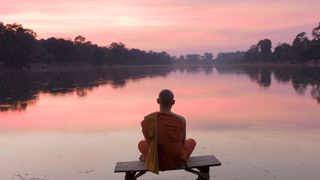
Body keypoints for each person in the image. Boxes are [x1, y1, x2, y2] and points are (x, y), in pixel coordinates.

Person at [138, 89, 196, 174]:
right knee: (191, 141)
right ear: (173, 102)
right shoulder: (181, 120)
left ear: (158, 101)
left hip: (157, 162)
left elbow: (150, 143)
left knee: (141, 143)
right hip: (178, 161)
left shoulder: (148, 121)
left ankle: (146, 157)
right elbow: (183, 143)